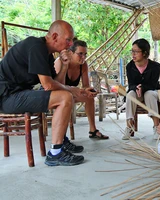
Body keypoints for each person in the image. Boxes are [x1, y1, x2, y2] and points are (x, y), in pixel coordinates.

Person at [0, 20, 94, 166]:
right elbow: (48, 85)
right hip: (6, 97)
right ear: (55, 36)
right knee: (65, 96)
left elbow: (56, 84)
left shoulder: (48, 54)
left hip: (19, 94)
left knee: (67, 96)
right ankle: (55, 153)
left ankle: (61, 141)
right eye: (68, 40)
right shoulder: (35, 46)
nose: (70, 44)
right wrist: (71, 89)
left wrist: (64, 66)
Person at [54, 39, 109, 140]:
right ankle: (61, 138)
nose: (83, 57)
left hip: (70, 94)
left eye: (85, 54)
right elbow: (58, 86)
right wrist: (81, 90)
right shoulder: (60, 62)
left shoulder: (83, 65)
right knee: (67, 98)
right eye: (80, 54)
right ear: (70, 53)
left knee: (89, 97)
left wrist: (89, 91)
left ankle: (93, 130)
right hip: (57, 96)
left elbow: (85, 85)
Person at [122, 38, 160, 140]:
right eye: (132, 51)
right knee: (130, 94)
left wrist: (143, 87)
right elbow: (131, 84)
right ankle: (129, 126)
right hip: (137, 94)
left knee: (149, 94)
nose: (133, 54)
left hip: (152, 93)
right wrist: (136, 88)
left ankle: (157, 127)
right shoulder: (130, 66)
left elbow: (153, 85)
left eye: (136, 52)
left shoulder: (155, 67)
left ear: (144, 53)